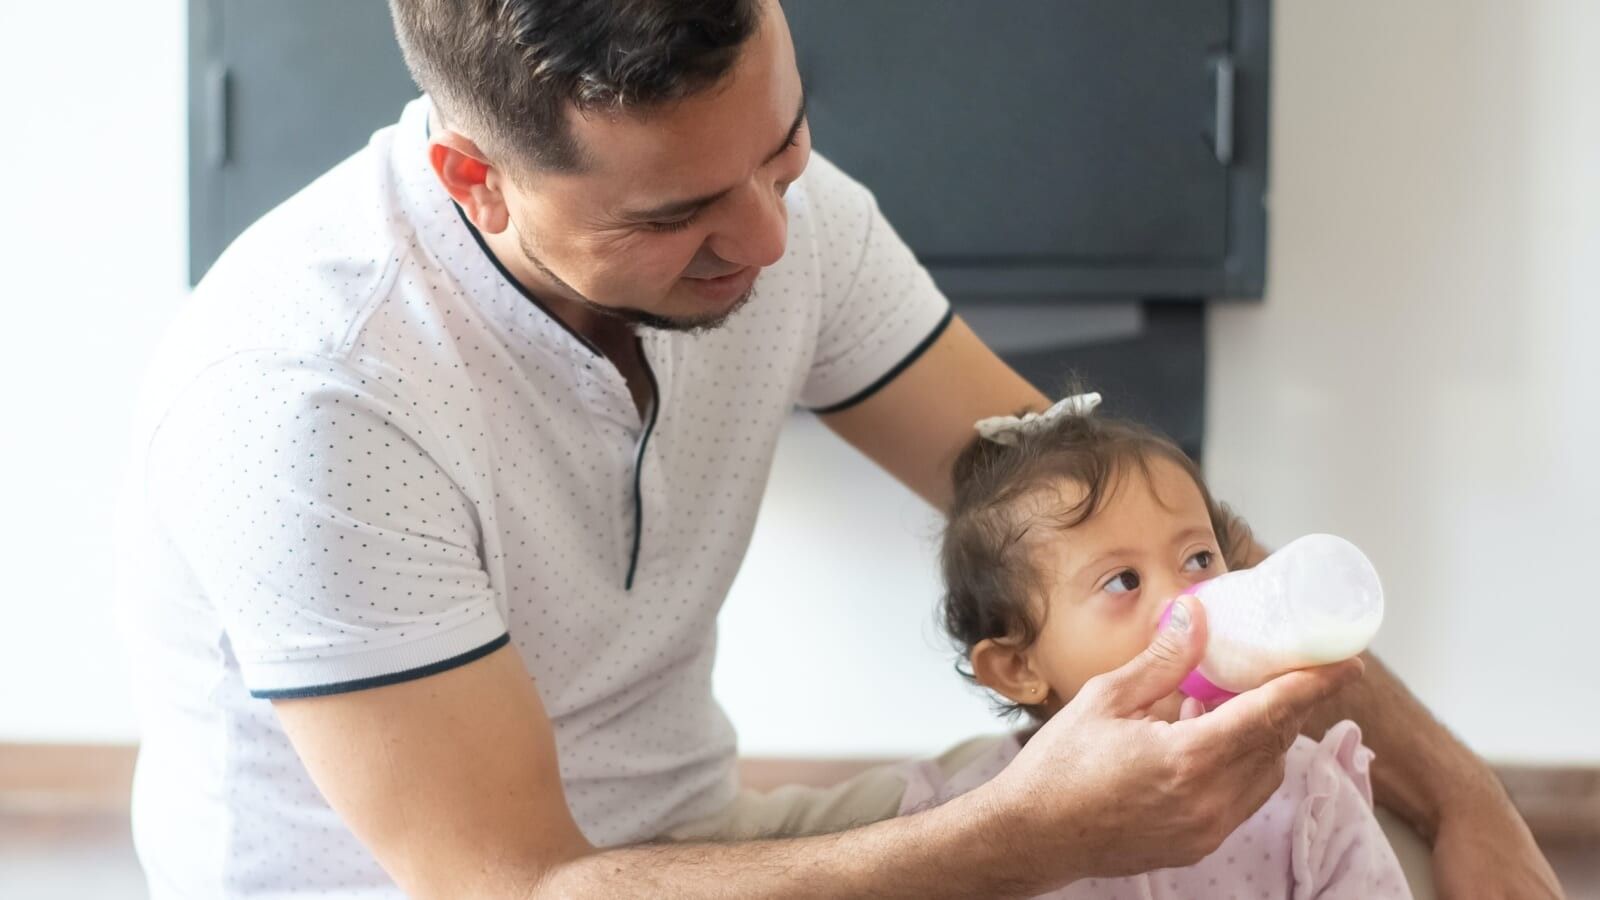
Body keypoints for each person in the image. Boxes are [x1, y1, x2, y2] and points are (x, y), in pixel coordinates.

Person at [116, 1, 1560, 897]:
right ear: (473, 182)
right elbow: (522, 886)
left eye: (784, 145)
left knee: (1358, 840)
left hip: (706, 845)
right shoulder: (309, 395)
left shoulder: (791, 226)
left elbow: (1101, 512)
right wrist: (1029, 841)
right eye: (675, 215)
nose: (762, 237)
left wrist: (1468, 795)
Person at [892, 393, 1411, 898]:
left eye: (1198, 559)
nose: (1186, 600)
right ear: (1016, 666)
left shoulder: (1307, 793)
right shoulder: (967, 826)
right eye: (1122, 581)